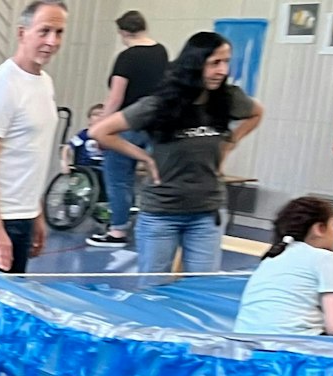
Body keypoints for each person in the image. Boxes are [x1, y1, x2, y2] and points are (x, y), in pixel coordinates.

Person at [89, 31, 262, 277]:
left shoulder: (229, 98)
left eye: (226, 62)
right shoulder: (160, 104)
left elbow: (257, 113)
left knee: (201, 290)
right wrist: (143, 157)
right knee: (153, 291)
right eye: (215, 63)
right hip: (161, 214)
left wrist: (230, 141)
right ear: (195, 64)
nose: (222, 71)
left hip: (206, 212)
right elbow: (101, 131)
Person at [0, 1, 67, 274]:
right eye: (44, 31)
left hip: (22, 214)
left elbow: (30, 154)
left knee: (10, 306)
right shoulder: (2, 86)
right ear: (22, 33)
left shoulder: (44, 83)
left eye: (59, 32)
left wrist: (36, 212)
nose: (52, 41)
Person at [88, 11, 167, 249]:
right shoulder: (161, 51)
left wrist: (101, 126)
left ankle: (118, 230)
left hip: (128, 124)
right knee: (154, 176)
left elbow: (115, 98)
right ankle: (152, 226)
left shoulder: (126, 57)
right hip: (155, 124)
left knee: (119, 179)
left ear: (123, 32)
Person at [233, 196, 333, 337]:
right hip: (294, 348)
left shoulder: (272, 258)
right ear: (319, 229)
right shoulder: (326, 258)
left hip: (243, 344)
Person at [67, 103, 105, 170]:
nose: (100, 117)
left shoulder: (111, 136)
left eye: (102, 114)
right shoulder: (83, 134)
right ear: (89, 119)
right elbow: (67, 148)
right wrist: (65, 163)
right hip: (85, 170)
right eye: (96, 114)